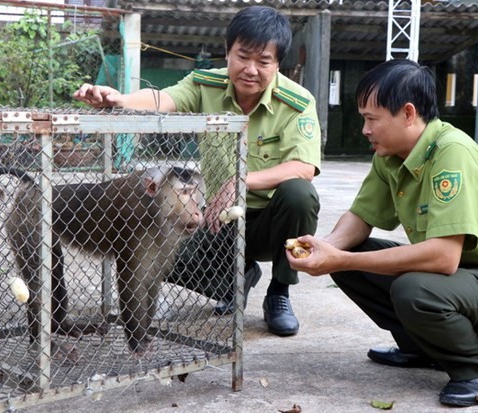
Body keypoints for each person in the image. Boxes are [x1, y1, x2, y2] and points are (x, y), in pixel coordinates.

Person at [286, 59, 478, 407]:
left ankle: (477, 366)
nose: (365, 129)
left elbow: (443, 256)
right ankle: (425, 348)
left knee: (413, 288)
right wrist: (325, 250)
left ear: (408, 114)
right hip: (466, 281)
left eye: (371, 119)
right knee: (351, 264)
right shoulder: (390, 154)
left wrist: (342, 258)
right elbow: (361, 217)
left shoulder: (452, 153)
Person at [73, 6, 321, 337]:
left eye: (263, 61)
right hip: (219, 220)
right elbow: (164, 98)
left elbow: (304, 167)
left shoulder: (297, 101)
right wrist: (120, 99)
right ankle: (235, 277)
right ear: (227, 52)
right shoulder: (206, 84)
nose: (250, 69)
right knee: (155, 256)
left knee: (298, 195)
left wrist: (240, 181)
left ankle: (279, 291)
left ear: (277, 64)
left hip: (271, 224)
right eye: (242, 56)